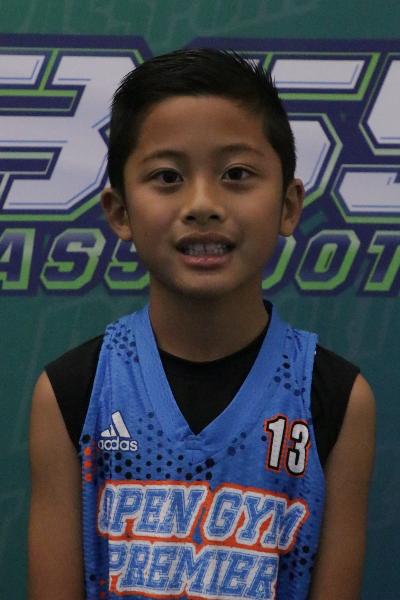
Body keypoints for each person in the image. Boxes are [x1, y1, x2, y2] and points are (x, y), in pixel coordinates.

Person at [28, 49, 375, 600]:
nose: (203, 204)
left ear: (288, 206)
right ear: (120, 211)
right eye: (167, 177)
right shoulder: (74, 392)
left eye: (236, 174)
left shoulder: (334, 398)